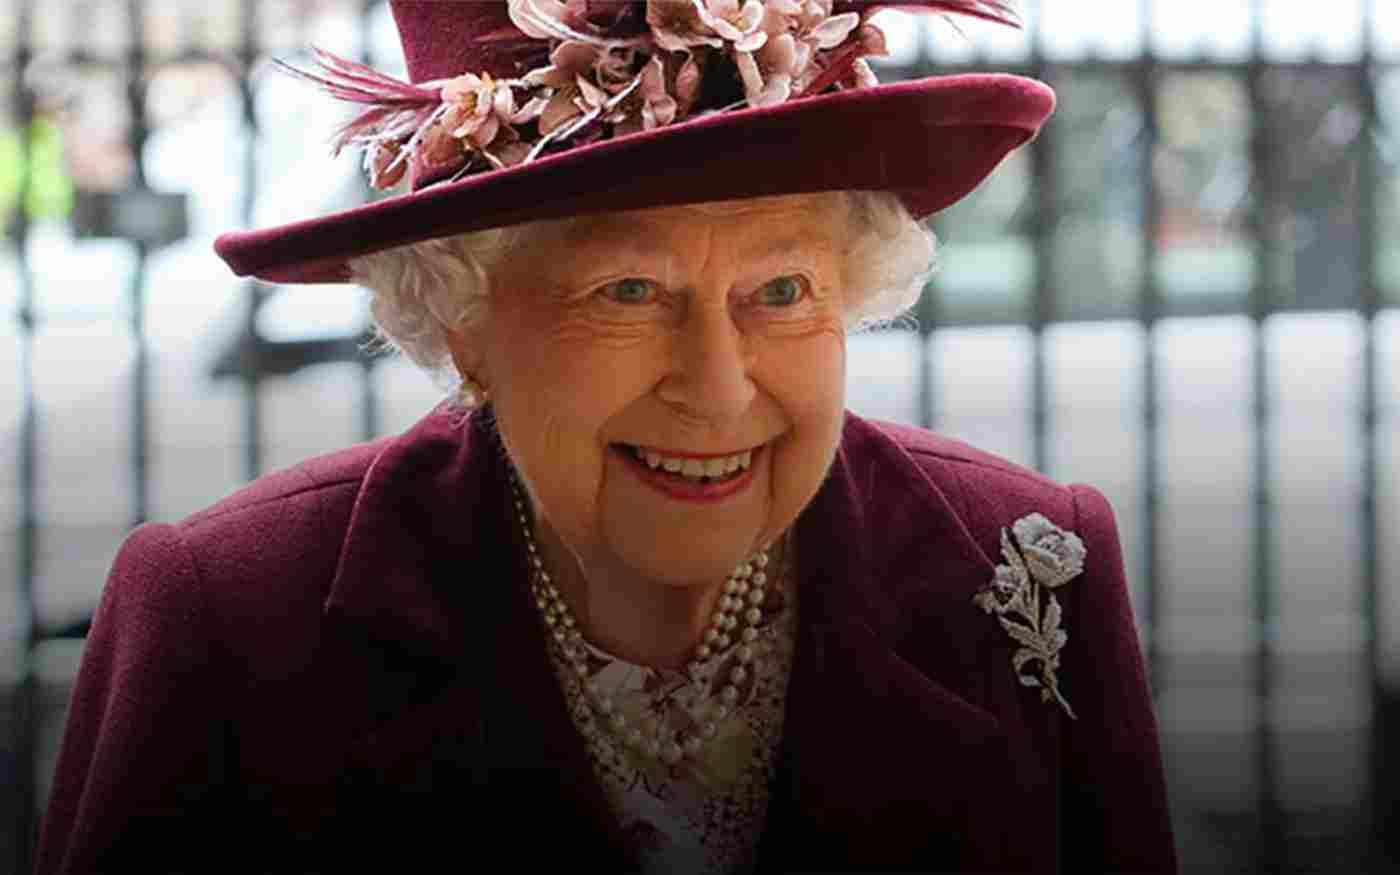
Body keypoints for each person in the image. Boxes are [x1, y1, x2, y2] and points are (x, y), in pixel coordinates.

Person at [35, 1, 1177, 872]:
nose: (718, 388)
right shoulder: (230, 620)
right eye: (627, 291)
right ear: (462, 322)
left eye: (781, 288)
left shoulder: (1027, 566)